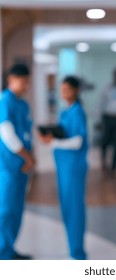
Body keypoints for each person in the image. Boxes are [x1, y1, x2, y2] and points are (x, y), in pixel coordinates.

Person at [38, 76, 88, 260]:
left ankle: (78, 252)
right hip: (64, 167)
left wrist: (55, 142)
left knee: (74, 208)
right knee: (67, 206)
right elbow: (63, 134)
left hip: (74, 168)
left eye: (67, 89)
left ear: (75, 90)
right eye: (62, 89)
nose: (64, 93)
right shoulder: (64, 112)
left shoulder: (78, 112)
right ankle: (73, 249)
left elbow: (78, 141)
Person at [0, 63, 35, 260]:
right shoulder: (5, 100)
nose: (26, 85)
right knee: (5, 211)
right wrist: (27, 156)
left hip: (22, 165)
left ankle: (9, 248)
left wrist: (31, 157)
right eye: (23, 81)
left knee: (16, 210)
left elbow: (27, 132)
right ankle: (2, 253)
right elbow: (7, 133)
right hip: (8, 166)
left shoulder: (23, 104)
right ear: (11, 79)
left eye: (27, 81)